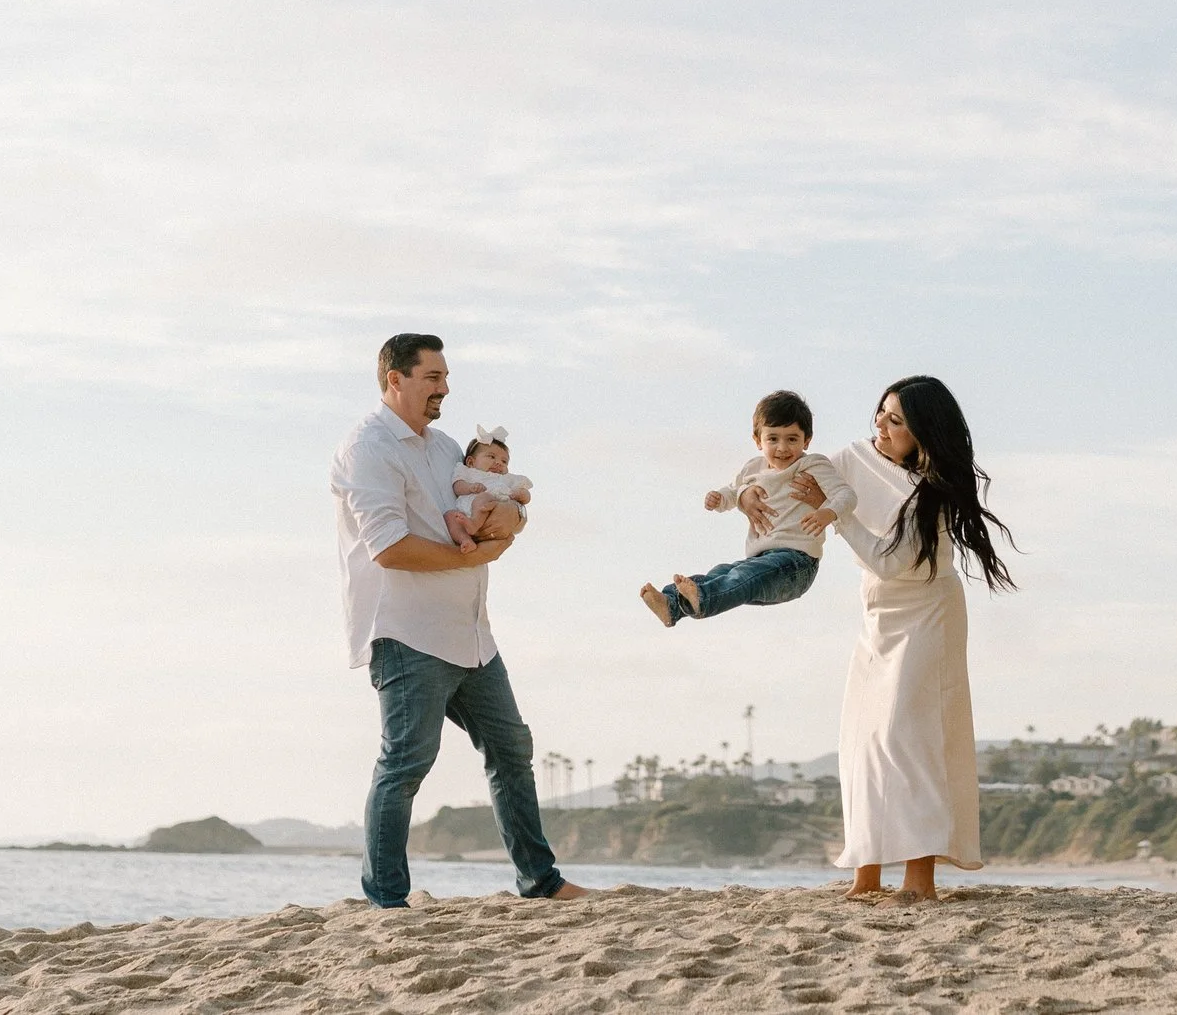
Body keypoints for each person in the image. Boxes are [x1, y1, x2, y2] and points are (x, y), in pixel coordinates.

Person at [330, 333, 587, 907]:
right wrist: (476, 553)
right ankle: (387, 900)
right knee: (405, 762)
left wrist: (508, 525)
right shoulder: (367, 448)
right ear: (395, 379)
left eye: (446, 378)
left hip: (472, 633)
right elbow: (390, 547)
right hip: (407, 629)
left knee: (511, 749)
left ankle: (540, 882)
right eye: (432, 378)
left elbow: (505, 502)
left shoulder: (447, 446)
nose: (444, 389)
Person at [766, 375, 1013, 902]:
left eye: (896, 420)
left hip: (926, 610)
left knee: (909, 739)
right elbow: (791, 473)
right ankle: (865, 874)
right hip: (877, 609)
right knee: (864, 739)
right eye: (881, 411)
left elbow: (892, 560)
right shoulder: (855, 458)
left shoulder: (937, 491)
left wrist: (838, 515)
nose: (881, 424)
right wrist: (744, 496)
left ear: (922, 433)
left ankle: (919, 880)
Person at [638, 389, 857, 627]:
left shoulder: (812, 464)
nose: (782, 448)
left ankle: (704, 600)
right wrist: (719, 498)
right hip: (759, 560)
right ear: (757, 440)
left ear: (807, 440)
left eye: (792, 439)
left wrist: (828, 512)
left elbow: (846, 494)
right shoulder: (753, 468)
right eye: (773, 439)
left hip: (796, 564)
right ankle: (671, 605)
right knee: (721, 572)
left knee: (742, 576)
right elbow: (733, 492)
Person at [446, 426, 532, 552]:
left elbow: (526, 494)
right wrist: (469, 487)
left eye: (504, 461)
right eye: (491, 457)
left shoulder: (504, 478)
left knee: (484, 497)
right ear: (471, 462)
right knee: (449, 516)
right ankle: (465, 540)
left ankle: (474, 524)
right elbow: (457, 486)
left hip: (488, 513)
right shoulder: (467, 472)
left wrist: (520, 494)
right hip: (465, 514)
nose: (499, 463)